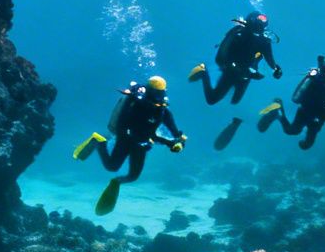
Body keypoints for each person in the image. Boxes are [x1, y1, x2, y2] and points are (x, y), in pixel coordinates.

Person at [72, 75, 185, 214]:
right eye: (156, 94)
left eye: (160, 94)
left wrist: (177, 142)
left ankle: (116, 182)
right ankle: (98, 141)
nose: (158, 98)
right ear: (149, 92)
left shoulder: (163, 111)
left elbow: (173, 133)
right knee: (111, 166)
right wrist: (165, 142)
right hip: (126, 139)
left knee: (133, 177)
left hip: (141, 144)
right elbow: (121, 126)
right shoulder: (134, 103)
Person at [258, 57, 325, 150]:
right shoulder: (320, 81)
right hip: (307, 110)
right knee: (292, 131)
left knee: (306, 142)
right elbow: (323, 101)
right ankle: (278, 110)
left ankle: (278, 111)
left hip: (320, 116)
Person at [189, 11, 281, 105]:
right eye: (260, 19)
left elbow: (269, 58)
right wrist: (233, 68)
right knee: (212, 100)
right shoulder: (238, 32)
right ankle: (203, 72)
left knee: (235, 101)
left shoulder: (264, 41)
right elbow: (220, 56)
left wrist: (276, 69)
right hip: (231, 71)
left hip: (246, 74)